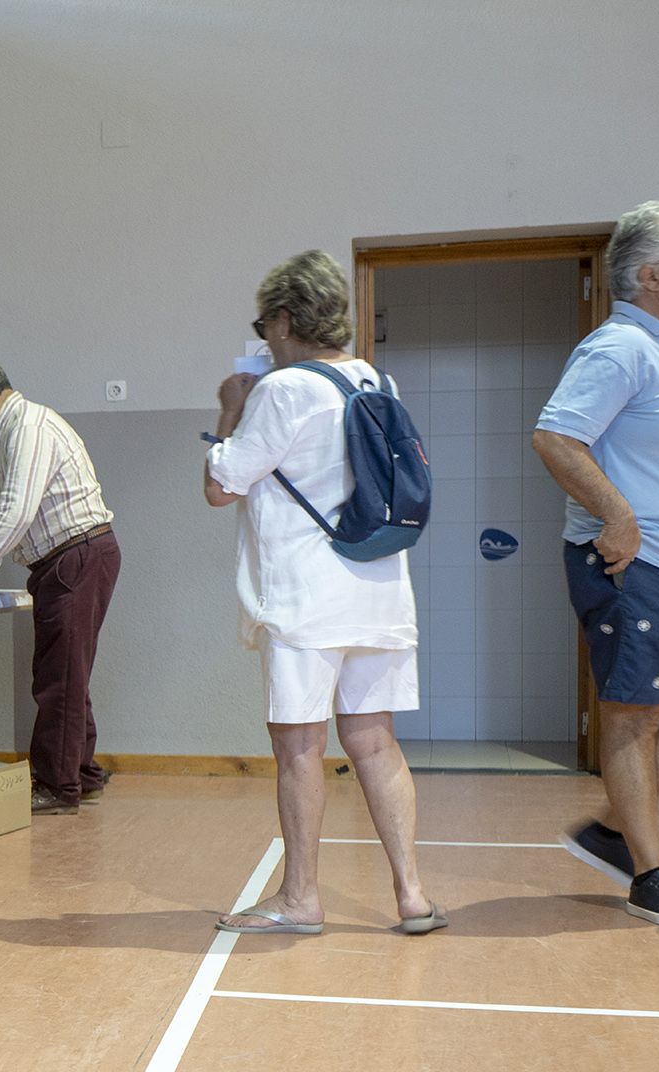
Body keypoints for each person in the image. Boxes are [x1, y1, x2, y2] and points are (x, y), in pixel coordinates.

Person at [201, 251, 442, 935]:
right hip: (379, 588)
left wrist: (229, 409)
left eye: (266, 322)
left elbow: (221, 486)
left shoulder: (281, 391)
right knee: (375, 740)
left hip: (307, 599)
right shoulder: (375, 378)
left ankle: (301, 897)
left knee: (300, 745)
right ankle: (413, 893)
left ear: (282, 319)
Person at [535, 199, 659, 928]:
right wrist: (618, 515)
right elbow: (558, 438)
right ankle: (651, 871)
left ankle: (611, 831)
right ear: (650, 275)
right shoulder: (619, 347)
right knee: (635, 714)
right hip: (634, 561)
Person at [0, 354, 120, 816]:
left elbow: (14, 513)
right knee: (66, 670)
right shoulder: (18, 430)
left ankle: (58, 786)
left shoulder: (27, 429)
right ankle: (80, 770)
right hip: (75, 557)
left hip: (74, 556)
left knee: (58, 677)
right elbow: (5, 509)